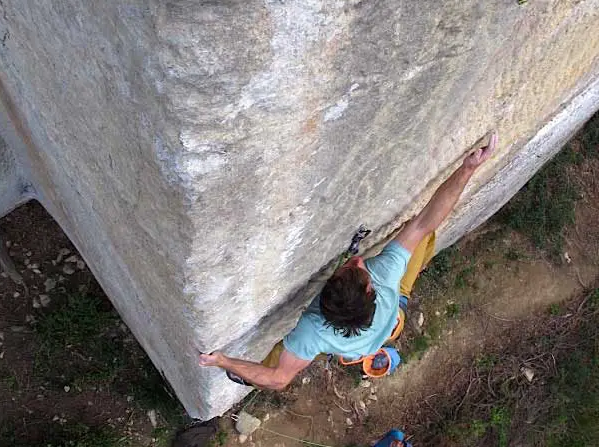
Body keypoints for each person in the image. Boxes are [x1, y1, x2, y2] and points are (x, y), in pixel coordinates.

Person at [199, 132, 498, 390]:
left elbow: (279, 380)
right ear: (371, 291)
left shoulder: (311, 331)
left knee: (283, 355)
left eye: (352, 266)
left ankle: (247, 376)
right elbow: (423, 223)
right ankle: (377, 333)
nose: (358, 261)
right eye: (358, 268)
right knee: (418, 233)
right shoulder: (381, 275)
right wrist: (467, 169)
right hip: (389, 317)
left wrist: (223, 360)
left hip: (375, 330)